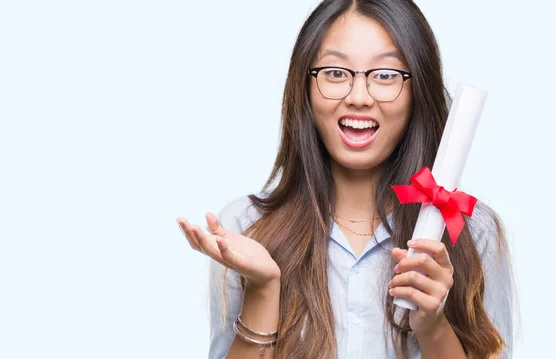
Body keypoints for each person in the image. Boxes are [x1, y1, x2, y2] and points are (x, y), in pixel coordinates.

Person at [177, 0, 515, 358]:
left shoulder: (471, 233)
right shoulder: (247, 229)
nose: (358, 97)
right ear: (304, 87)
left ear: (419, 90)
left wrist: (432, 325)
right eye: (336, 73)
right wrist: (263, 289)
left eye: (385, 75)